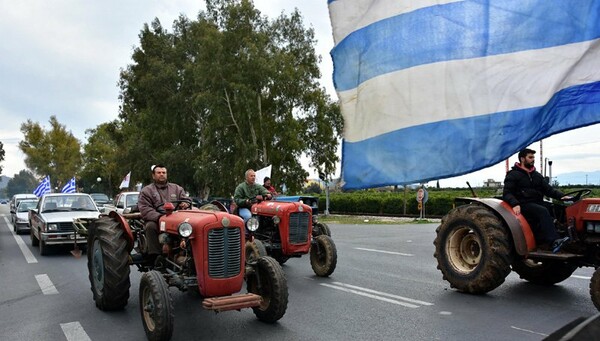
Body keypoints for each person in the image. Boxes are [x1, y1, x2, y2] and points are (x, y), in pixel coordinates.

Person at [503, 149, 570, 252]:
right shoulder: (513, 175)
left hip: (537, 202)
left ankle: (568, 238)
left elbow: (548, 190)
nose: (533, 160)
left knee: (560, 209)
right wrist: (515, 203)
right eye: (530, 157)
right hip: (523, 204)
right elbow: (507, 193)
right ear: (522, 159)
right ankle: (553, 241)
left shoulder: (536, 175)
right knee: (542, 211)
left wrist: (562, 196)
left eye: (533, 157)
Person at [138, 164, 190, 259]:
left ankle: (186, 251)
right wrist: (161, 217)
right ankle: (155, 256)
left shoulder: (177, 188)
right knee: (150, 226)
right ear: (153, 175)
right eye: (159, 173)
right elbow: (145, 209)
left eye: (164, 172)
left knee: (189, 226)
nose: (162, 174)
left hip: (176, 219)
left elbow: (186, 200)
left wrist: (185, 203)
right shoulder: (146, 191)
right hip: (156, 219)